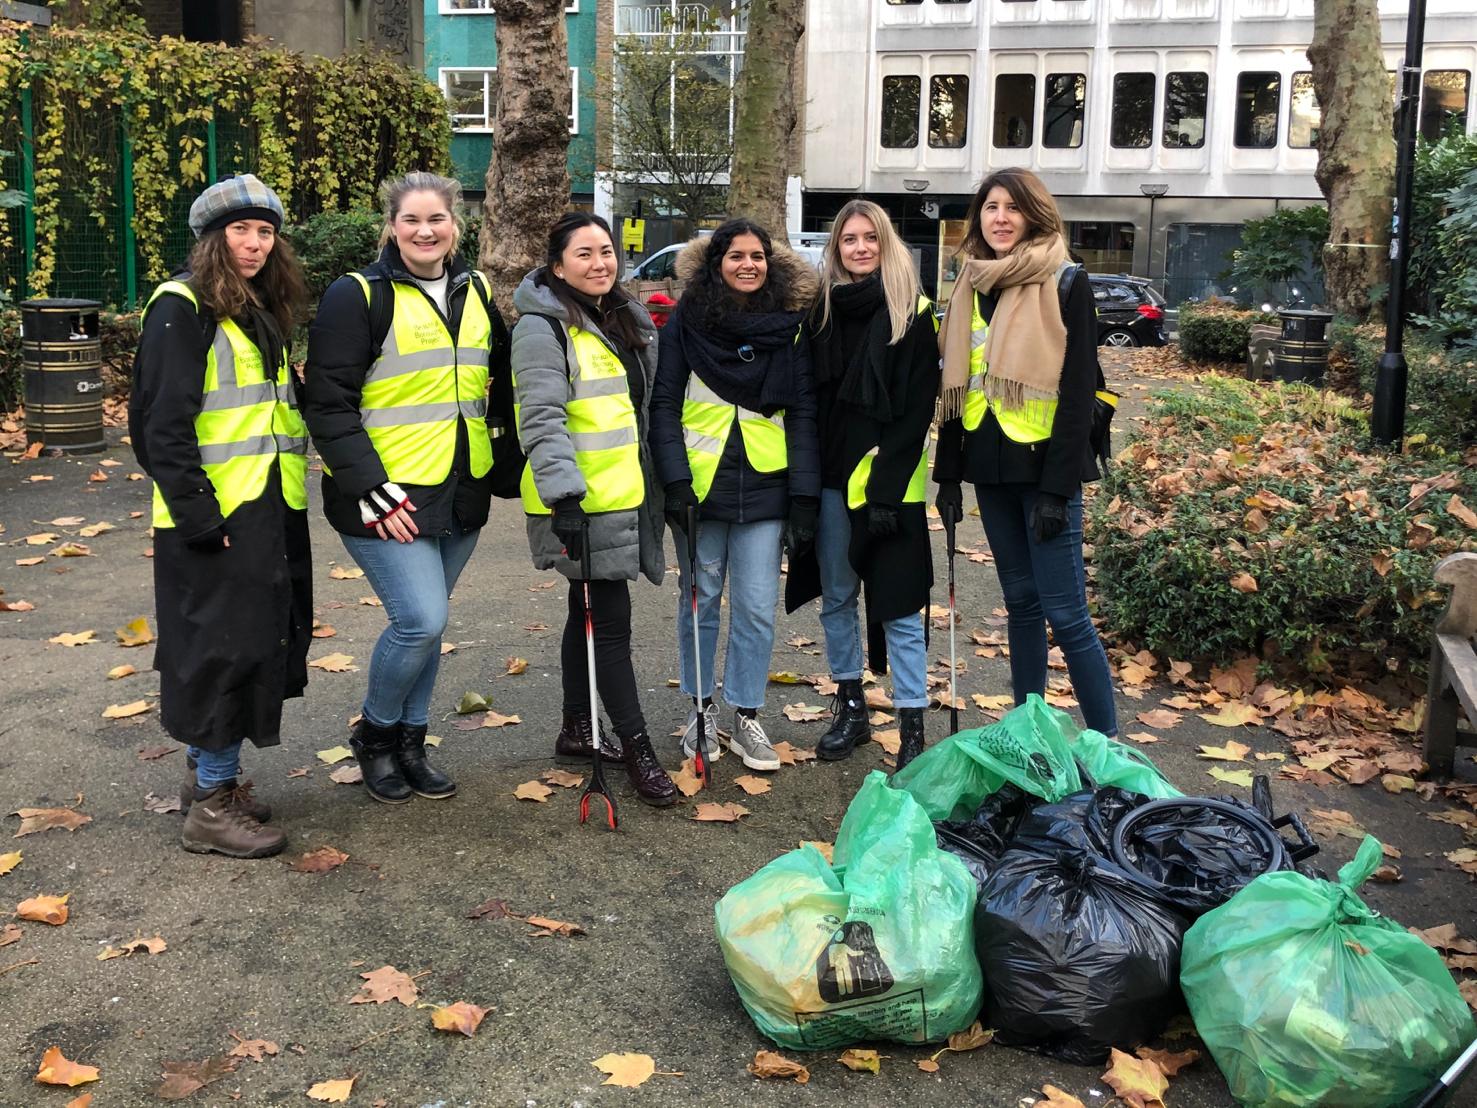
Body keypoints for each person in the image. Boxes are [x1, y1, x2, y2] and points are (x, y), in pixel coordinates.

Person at [304, 171, 508, 803]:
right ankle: (376, 734)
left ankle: (412, 744)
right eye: (412, 220)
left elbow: (496, 389)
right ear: (391, 226)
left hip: (460, 487)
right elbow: (328, 403)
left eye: (437, 219)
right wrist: (371, 488)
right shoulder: (356, 294)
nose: (425, 231)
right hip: (385, 494)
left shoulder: (477, 290)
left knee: (433, 622)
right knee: (419, 620)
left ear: (456, 226)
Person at [128, 173, 311, 858]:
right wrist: (202, 516)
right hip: (216, 519)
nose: (256, 243)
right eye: (241, 230)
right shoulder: (182, 307)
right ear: (211, 237)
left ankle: (211, 780)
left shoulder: (255, 309)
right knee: (223, 654)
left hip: (265, 506)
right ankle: (210, 803)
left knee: (250, 646)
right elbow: (159, 428)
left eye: (266, 231)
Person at [933, 167, 1119, 738]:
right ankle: (1029, 735)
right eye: (990, 207)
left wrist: (1059, 491)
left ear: (1034, 215)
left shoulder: (1065, 281)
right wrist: (947, 476)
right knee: (1021, 606)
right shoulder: (971, 282)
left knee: (1067, 615)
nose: (1000, 218)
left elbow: (1078, 392)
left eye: (1012, 208)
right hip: (990, 468)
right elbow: (958, 382)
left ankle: (1109, 746)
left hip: (1045, 474)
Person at [510, 212, 676, 807]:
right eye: (583, 254)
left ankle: (577, 727)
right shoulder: (541, 329)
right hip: (579, 504)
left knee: (584, 613)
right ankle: (639, 751)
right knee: (609, 626)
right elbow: (541, 416)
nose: (599, 263)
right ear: (557, 266)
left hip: (622, 495)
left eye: (605, 251)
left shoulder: (621, 316)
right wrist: (564, 496)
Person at [650, 218, 820, 772]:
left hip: (767, 486)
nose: (749, 264)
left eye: (758, 256)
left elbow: (802, 413)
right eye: (736, 256)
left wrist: (803, 496)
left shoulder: (789, 328)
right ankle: (700, 711)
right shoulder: (684, 325)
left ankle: (746, 715)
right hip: (699, 487)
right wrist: (675, 481)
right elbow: (665, 406)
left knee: (754, 607)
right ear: (715, 263)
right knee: (700, 602)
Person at [792, 200, 941, 771]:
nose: (858, 248)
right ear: (836, 249)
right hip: (831, 481)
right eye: (848, 239)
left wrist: (883, 489)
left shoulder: (915, 312)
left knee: (899, 609)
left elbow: (915, 410)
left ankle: (910, 724)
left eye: (869, 238)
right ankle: (850, 704)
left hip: (889, 486)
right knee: (836, 598)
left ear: (886, 244)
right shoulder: (821, 314)